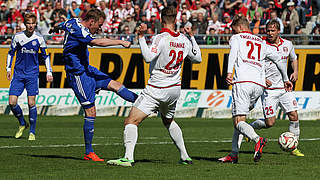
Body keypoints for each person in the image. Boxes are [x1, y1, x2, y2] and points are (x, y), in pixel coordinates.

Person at [107, 6, 202, 167]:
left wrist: (141, 37)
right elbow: (198, 58)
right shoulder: (184, 39)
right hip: (174, 88)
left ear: (161, 19)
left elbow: (147, 57)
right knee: (168, 120)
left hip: (157, 87)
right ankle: (185, 156)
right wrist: (192, 37)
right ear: (176, 19)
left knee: (131, 121)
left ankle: (128, 157)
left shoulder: (161, 38)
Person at [49, 9, 138, 161]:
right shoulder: (79, 30)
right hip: (78, 75)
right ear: (91, 22)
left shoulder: (72, 22)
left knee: (116, 85)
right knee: (91, 112)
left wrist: (54, 28)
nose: (100, 29)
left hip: (88, 70)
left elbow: (60, 25)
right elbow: (97, 42)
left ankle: (144, 103)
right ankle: (89, 152)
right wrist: (121, 42)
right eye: (99, 25)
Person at [218, 15, 292, 163]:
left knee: (238, 121)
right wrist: (285, 79)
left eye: (234, 30)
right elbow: (279, 59)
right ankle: (234, 153)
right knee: (241, 120)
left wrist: (228, 72)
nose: (234, 33)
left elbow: (232, 54)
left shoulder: (237, 38)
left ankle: (257, 139)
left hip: (243, 82)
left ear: (239, 28)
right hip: (259, 86)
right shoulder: (260, 41)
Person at [238, 20, 304, 157]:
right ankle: (250, 127)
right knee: (270, 123)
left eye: (272, 30)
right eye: (268, 30)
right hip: (269, 91)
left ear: (278, 31)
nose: (269, 33)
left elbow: (294, 58)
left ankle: (293, 147)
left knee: (294, 115)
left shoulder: (288, 44)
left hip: (285, 88)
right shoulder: (261, 45)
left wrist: (295, 71)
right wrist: (262, 79)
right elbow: (254, 64)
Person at [6, 13, 53, 140]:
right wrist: (8, 68)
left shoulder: (39, 38)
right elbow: (11, 53)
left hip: (32, 74)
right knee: (12, 102)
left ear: (35, 24)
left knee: (31, 102)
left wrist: (49, 72)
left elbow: (45, 56)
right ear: (25, 24)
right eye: (28, 23)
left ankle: (32, 131)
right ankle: (22, 123)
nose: (30, 25)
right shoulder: (18, 37)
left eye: (32, 23)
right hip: (18, 74)